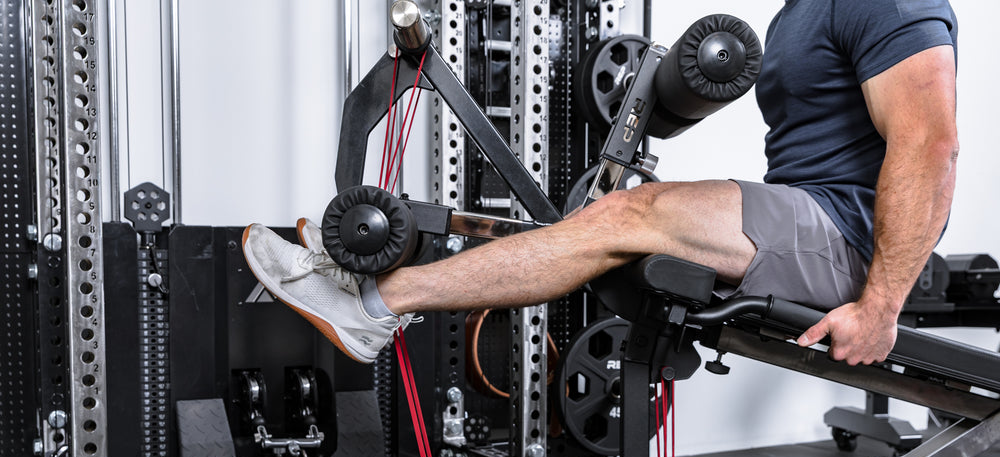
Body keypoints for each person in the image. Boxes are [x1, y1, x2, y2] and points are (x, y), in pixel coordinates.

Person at [243, 0, 959, 367]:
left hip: (846, 241)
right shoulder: (801, 11)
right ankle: (354, 282)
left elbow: (931, 145)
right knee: (611, 218)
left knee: (627, 212)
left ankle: (374, 306)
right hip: (809, 222)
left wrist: (881, 307)